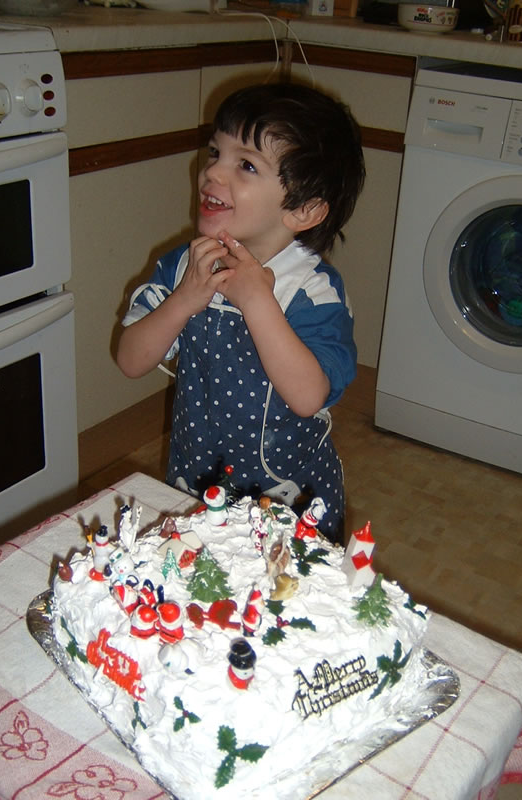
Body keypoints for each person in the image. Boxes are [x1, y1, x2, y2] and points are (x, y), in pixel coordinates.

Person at [117, 82, 365, 544]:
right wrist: (184, 299)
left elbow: (308, 396)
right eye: (215, 152)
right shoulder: (185, 267)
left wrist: (256, 300)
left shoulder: (311, 290)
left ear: (304, 210)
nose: (212, 172)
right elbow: (130, 360)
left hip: (290, 507)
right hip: (196, 483)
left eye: (246, 164)